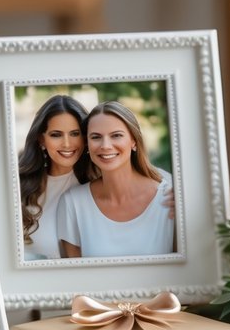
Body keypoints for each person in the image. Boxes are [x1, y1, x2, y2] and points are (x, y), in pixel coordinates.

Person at [58, 101, 175, 257]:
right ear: (87, 144)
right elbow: (74, 277)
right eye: (96, 137)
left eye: (116, 135)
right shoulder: (73, 203)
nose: (105, 146)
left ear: (134, 141)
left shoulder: (170, 198)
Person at [18, 95, 89, 260]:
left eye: (75, 134)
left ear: (85, 138)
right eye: (56, 134)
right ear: (41, 139)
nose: (66, 143)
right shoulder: (17, 185)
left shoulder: (96, 185)